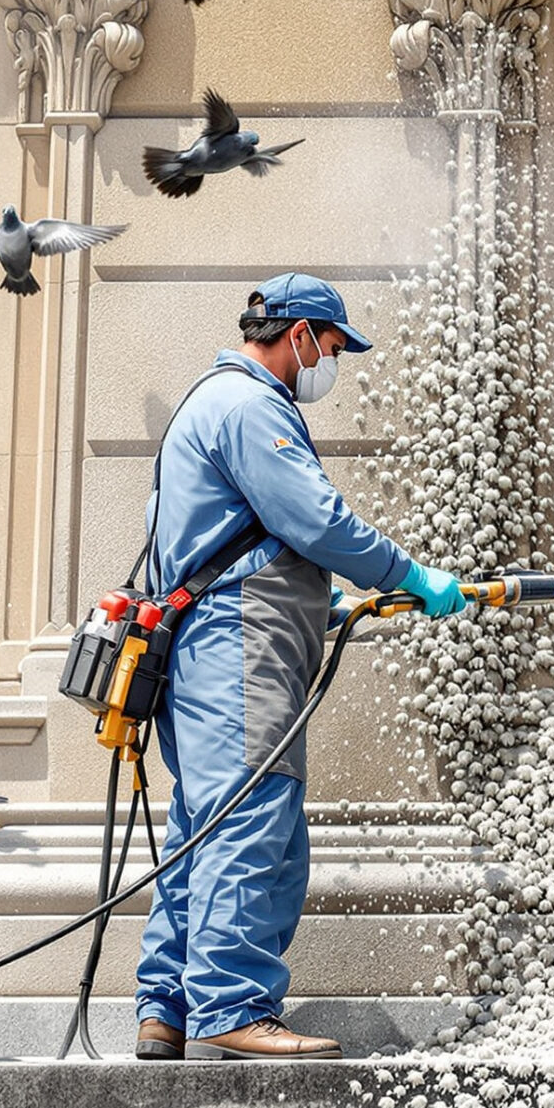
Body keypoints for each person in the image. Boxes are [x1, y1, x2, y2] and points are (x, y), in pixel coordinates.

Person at [133, 273, 466, 1060]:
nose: (334, 362)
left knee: (202, 823)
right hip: (238, 646)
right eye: (335, 346)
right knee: (255, 819)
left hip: (210, 640)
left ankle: (168, 1008)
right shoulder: (252, 406)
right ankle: (232, 1007)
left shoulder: (205, 401)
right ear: (301, 335)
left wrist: (324, 609)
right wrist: (408, 573)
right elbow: (316, 518)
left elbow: (230, 540)